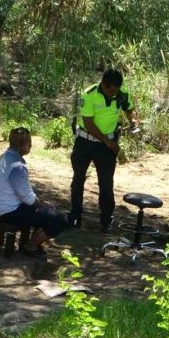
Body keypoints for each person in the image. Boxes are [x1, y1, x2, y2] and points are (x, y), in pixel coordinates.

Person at [68, 68, 139, 231]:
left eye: (115, 91)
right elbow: (88, 123)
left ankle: (106, 219)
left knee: (106, 183)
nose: (111, 94)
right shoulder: (89, 94)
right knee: (78, 178)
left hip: (107, 145)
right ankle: (75, 215)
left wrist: (133, 121)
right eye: (109, 90)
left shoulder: (122, 94)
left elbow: (129, 109)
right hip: (85, 142)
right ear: (103, 84)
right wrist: (108, 142)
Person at [0, 127, 67, 260]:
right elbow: (29, 199)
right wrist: (41, 205)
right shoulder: (17, 166)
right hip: (12, 212)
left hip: (6, 207)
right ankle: (31, 246)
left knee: (43, 207)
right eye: (29, 143)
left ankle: (35, 241)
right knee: (59, 220)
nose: (31, 145)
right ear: (22, 146)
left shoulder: (4, 158)